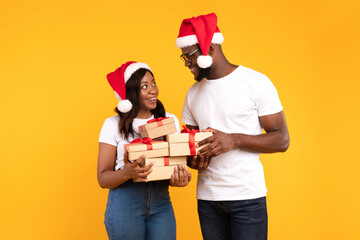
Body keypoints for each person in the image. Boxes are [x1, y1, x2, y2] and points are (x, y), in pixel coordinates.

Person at [175, 13, 290, 240]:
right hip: (208, 200)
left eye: (190, 56)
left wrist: (235, 139)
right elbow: (188, 147)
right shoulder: (192, 94)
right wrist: (194, 160)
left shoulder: (255, 82)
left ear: (209, 50)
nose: (187, 63)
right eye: (184, 57)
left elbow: (282, 139)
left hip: (247, 199)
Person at [97, 61, 191, 240]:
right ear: (131, 92)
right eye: (144, 86)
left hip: (161, 202)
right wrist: (127, 172)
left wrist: (179, 178)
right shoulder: (112, 125)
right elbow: (102, 178)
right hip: (125, 203)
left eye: (153, 83)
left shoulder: (169, 120)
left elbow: (172, 166)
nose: (153, 90)